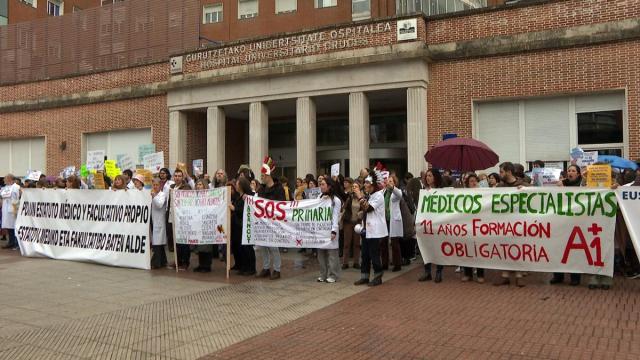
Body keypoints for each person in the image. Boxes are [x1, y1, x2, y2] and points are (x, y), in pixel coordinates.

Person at [494, 162, 528, 287]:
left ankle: (519, 275)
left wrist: (525, 191)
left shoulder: (523, 185)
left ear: (508, 171)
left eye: (501, 172)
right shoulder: (499, 187)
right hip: (504, 223)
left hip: (519, 223)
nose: (500, 174)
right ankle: (505, 275)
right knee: (504, 248)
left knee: (518, 248)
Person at [353, 170, 388, 287]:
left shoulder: (378, 196)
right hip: (367, 229)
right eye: (365, 183)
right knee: (365, 254)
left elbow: (369, 208)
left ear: (373, 185)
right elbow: (367, 210)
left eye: (367, 183)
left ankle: (378, 276)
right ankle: (364, 276)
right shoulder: (370, 196)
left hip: (375, 231)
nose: (365, 185)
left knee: (374, 254)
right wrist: (361, 214)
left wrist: (359, 195)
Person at [551, 164, 582, 286]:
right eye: (569, 170)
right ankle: (558, 275)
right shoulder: (561, 184)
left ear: (578, 174)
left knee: (574, 250)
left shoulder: (583, 185)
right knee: (558, 248)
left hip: (576, 222)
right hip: (561, 221)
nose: (570, 172)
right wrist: (558, 188)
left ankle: (575, 277)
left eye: (573, 171)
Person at [256, 156, 285, 280]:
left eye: (263, 176)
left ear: (268, 176)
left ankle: (277, 269)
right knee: (262, 245)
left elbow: (282, 204)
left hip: (274, 222)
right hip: (263, 221)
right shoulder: (261, 189)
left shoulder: (279, 189)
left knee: (273, 246)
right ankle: (266, 267)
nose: (261, 178)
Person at [418, 169, 445, 283]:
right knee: (426, 247)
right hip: (426, 224)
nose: (427, 178)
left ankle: (439, 272)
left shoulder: (442, 192)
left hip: (437, 224)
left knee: (438, 247)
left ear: (436, 177)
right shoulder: (424, 192)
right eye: (427, 176)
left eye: (430, 176)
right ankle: (427, 272)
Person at [317, 177, 342, 283]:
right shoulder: (319, 197)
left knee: (332, 254)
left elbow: (336, 216)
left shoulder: (336, 200)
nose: (321, 186)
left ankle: (333, 274)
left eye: (323, 184)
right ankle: (323, 274)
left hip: (330, 229)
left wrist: (334, 230)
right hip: (320, 229)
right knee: (321, 253)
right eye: (320, 184)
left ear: (329, 186)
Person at [461, 174, 485, 283]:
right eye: (471, 181)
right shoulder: (463, 194)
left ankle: (480, 274)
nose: (474, 183)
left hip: (479, 226)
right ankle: (468, 273)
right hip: (467, 226)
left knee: (479, 251)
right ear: (467, 183)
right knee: (467, 250)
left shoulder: (484, 193)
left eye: (475, 181)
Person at [231, 177, 256, 275]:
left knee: (247, 247)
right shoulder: (239, 196)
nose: (236, 186)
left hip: (244, 226)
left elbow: (244, 211)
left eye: (237, 184)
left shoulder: (247, 197)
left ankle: (251, 268)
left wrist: (234, 208)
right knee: (239, 247)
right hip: (237, 226)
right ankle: (242, 265)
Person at [169, 169, 193, 270]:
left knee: (183, 241)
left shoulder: (186, 187)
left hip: (182, 217)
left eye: (179, 176)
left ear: (182, 177)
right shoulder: (172, 187)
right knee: (176, 241)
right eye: (176, 176)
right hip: (172, 215)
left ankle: (185, 262)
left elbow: (188, 201)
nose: (177, 178)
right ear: (173, 177)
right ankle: (177, 260)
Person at [382, 175, 403, 272]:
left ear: (394, 183)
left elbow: (400, 195)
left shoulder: (396, 192)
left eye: (391, 181)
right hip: (385, 219)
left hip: (393, 219)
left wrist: (392, 187)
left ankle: (397, 264)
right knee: (383, 242)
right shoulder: (384, 192)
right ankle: (385, 263)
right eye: (388, 181)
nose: (389, 182)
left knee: (394, 243)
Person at [193, 179, 214, 273]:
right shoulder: (195, 197)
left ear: (205, 186)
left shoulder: (209, 197)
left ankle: (207, 265)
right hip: (198, 223)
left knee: (206, 245)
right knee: (200, 245)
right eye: (197, 185)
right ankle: (201, 264)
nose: (198, 186)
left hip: (207, 223)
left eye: (200, 185)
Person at [341, 178, 362, 269]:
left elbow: (365, 208)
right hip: (348, 222)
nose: (354, 188)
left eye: (356, 186)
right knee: (347, 243)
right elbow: (344, 208)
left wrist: (361, 213)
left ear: (359, 188)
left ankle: (356, 262)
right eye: (353, 186)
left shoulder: (362, 198)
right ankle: (345, 262)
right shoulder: (349, 197)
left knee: (357, 243)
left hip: (357, 222)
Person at [150, 178, 168, 269]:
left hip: (159, 221)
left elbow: (159, 205)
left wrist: (154, 197)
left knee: (157, 242)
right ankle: (163, 261)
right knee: (158, 242)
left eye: (157, 185)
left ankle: (156, 262)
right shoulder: (151, 194)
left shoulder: (162, 195)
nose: (155, 187)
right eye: (154, 185)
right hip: (153, 221)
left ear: (160, 186)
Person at [1, 174, 21, 250]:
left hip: (14, 208)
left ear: (10, 179)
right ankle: (11, 242)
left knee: (15, 226)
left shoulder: (17, 187)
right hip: (6, 209)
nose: (4, 180)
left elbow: (20, 197)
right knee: (9, 226)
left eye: (5, 178)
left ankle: (17, 243)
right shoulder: (4, 188)